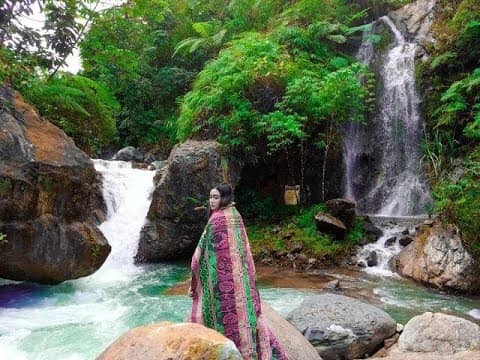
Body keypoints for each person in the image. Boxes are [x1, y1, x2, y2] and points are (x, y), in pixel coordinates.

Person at [189, 184, 288, 360]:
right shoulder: (236, 215)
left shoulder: (216, 219)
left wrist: (195, 281)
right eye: (211, 197)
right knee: (246, 320)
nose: (212, 201)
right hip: (240, 282)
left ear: (224, 198)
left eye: (216, 197)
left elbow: (200, 254)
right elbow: (245, 252)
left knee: (222, 319)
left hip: (221, 283)